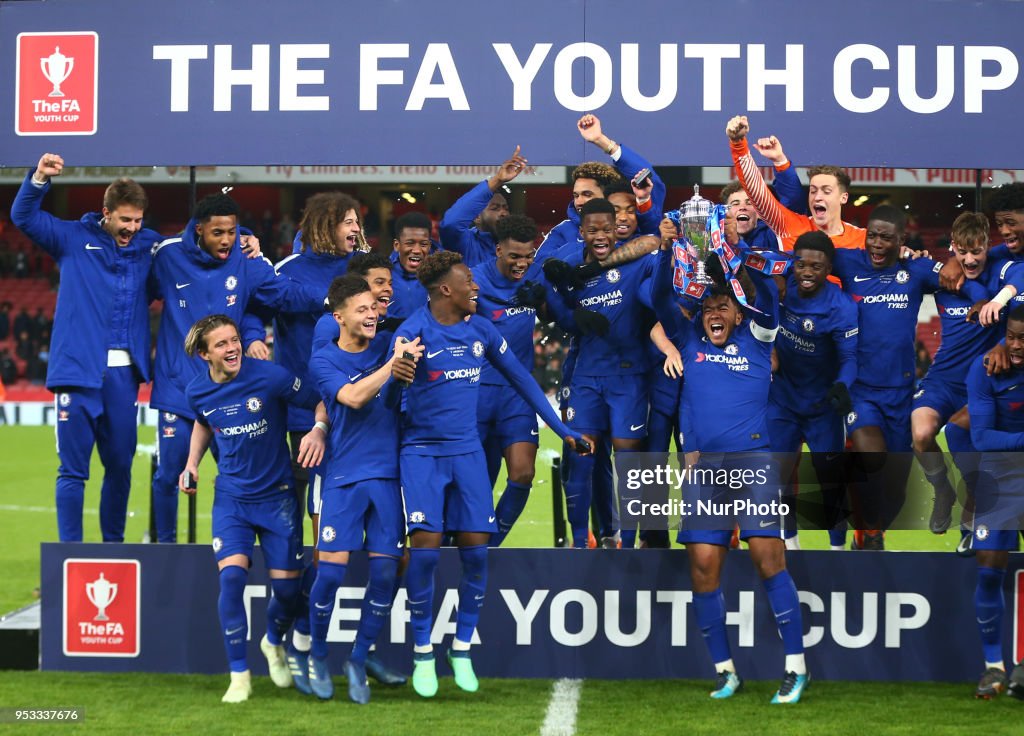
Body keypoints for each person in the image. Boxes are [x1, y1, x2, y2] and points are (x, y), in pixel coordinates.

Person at [391, 251, 588, 698]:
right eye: (467, 281)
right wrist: (396, 377)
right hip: (421, 454)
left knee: (477, 552)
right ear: (445, 289)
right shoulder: (412, 333)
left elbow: (523, 380)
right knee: (423, 550)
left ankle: (460, 649)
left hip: (467, 454)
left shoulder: (481, 329)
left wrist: (564, 431)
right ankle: (423, 651)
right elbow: (389, 400)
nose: (475, 287)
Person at [656, 212, 809, 704]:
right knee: (703, 567)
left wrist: (735, 254)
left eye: (723, 307)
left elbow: (766, 295)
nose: (714, 315)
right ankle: (725, 671)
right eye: (708, 309)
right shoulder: (691, 342)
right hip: (705, 473)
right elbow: (659, 301)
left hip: (755, 464)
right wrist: (665, 251)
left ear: (738, 314)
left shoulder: (758, 338)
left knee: (769, 560)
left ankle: (795, 667)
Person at [149, 193, 325, 543]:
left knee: (242, 475)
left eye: (231, 231)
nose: (226, 240)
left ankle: (256, 546)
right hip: (177, 387)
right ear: (199, 230)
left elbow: (282, 295)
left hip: (230, 391)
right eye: (218, 233)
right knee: (170, 472)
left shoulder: (248, 259)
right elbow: (138, 278)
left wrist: (329, 299)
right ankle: (164, 547)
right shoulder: (167, 254)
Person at [178, 314, 328, 703]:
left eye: (234, 340)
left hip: (278, 497)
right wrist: (192, 463)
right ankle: (239, 676)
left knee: (287, 590)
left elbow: (318, 400)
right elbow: (203, 422)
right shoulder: (198, 391)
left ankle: (273, 641)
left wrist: (318, 430)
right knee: (231, 581)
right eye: (222, 344)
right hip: (231, 500)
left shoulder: (270, 376)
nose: (233, 348)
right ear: (204, 354)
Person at [11, 153, 159, 542]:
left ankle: (114, 549)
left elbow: (193, 255)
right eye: (124, 219)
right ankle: (69, 553)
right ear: (106, 212)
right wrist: (39, 178)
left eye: (137, 221)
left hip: (124, 375)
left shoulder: (150, 246)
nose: (131, 228)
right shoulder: (73, 238)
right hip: (77, 371)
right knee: (73, 470)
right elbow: (23, 217)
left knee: (121, 467)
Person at [831, 206, 988, 548]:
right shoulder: (847, 262)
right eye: (872, 234)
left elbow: (957, 278)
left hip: (901, 392)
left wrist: (980, 299)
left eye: (886, 237)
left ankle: (878, 528)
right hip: (862, 391)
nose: (876, 243)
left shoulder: (915, 269)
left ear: (902, 240)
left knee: (897, 489)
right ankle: (870, 537)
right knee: (872, 459)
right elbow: (803, 254)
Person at [305, 276, 423, 703]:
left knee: (387, 571)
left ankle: (358, 657)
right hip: (342, 477)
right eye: (361, 309)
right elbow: (353, 398)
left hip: (389, 478)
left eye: (374, 307)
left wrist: (402, 361)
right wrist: (392, 365)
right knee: (330, 573)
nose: (372, 314)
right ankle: (319, 654)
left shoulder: (393, 340)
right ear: (338, 317)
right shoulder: (323, 360)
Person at [264, 191, 362, 688]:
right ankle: (286, 630)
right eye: (347, 220)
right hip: (299, 415)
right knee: (296, 527)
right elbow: (262, 301)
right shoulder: (290, 269)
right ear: (325, 224)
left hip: (351, 414)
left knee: (329, 527)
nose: (354, 227)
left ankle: (303, 635)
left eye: (357, 220)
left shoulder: (362, 267)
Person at [549, 199, 664, 549]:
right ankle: (579, 543)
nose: (600, 236)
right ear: (581, 232)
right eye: (592, 230)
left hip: (629, 377)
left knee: (628, 461)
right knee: (581, 457)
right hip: (586, 377)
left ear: (617, 229)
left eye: (606, 229)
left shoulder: (636, 262)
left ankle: (627, 545)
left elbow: (656, 244)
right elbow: (551, 304)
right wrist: (570, 318)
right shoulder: (568, 268)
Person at [912, 212, 1024, 535]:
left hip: (983, 381)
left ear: (989, 245)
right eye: (962, 251)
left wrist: (990, 298)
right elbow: (916, 265)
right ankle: (943, 491)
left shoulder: (1000, 272)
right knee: (920, 434)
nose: (970, 259)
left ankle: (975, 508)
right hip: (943, 378)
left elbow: (1021, 272)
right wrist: (933, 260)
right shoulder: (944, 274)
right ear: (953, 247)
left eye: (977, 250)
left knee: (965, 441)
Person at [769, 231, 859, 550]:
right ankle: (789, 544)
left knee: (830, 482)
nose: (807, 272)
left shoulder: (842, 307)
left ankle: (837, 551)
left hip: (822, 407)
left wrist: (842, 386)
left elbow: (849, 358)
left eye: (816, 267)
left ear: (829, 268)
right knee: (777, 477)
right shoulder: (781, 288)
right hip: (782, 401)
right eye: (801, 264)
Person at [470, 214, 555, 545]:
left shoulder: (535, 275)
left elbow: (553, 312)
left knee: (522, 473)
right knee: (478, 484)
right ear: (497, 250)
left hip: (517, 393)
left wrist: (545, 304)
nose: (522, 263)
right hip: (477, 391)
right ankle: (461, 545)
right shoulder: (474, 280)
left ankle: (492, 546)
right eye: (514, 256)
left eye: (528, 255)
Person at [965, 305, 1024, 699]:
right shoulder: (984, 368)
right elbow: (982, 438)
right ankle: (993, 667)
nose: (1016, 346)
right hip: (1000, 475)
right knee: (988, 568)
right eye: (1012, 336)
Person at [536, 114, 665, 262]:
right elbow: (539, 267)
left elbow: (651, 180)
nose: (579, 202)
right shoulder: (564, 230)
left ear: (608, 197)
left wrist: (602, 141)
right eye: (576, 195)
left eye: (587, 194)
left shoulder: (633, 227)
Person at [726, 116, 865, 251]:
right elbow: (756, 191)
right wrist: (738, 144)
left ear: (844, 197)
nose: (817, 197)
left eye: (826, 191)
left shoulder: (863, 238)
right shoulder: (789, 225)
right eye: (813, 191)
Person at [438, 147, 524, 266]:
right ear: (477, 216)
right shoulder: (464, 243)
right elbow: (450, 224)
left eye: (506, 208)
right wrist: (497, 180)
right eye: (495, 208)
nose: (504, 213)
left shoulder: (517, 245)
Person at [388, 213, 434, 320]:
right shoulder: (382, 276)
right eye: (410, 243)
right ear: (397, 245)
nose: (417, 250)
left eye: (423, 244)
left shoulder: (439, 277)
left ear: (429, 246)